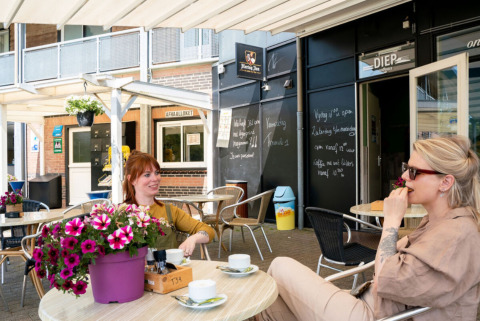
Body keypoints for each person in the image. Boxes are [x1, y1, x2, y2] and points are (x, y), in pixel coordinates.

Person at [258, 135, 480, 320]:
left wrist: (392, 220)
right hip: (366, 302)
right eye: (406, 168)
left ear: (445, 182)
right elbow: (393, 264)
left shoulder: (458, 233)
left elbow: (384, 279)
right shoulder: (437, 221)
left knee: (280, 265)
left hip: (374, 315)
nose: (403, 177)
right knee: (269, 303)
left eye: (414, 172)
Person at [123, 150, 215, 256]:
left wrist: (193, 238)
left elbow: (208, 231)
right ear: (132, 179)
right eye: (147, 175)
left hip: (168, 271)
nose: (155, 179)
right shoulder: (121, 214)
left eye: (157, 173)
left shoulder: (169, 210)